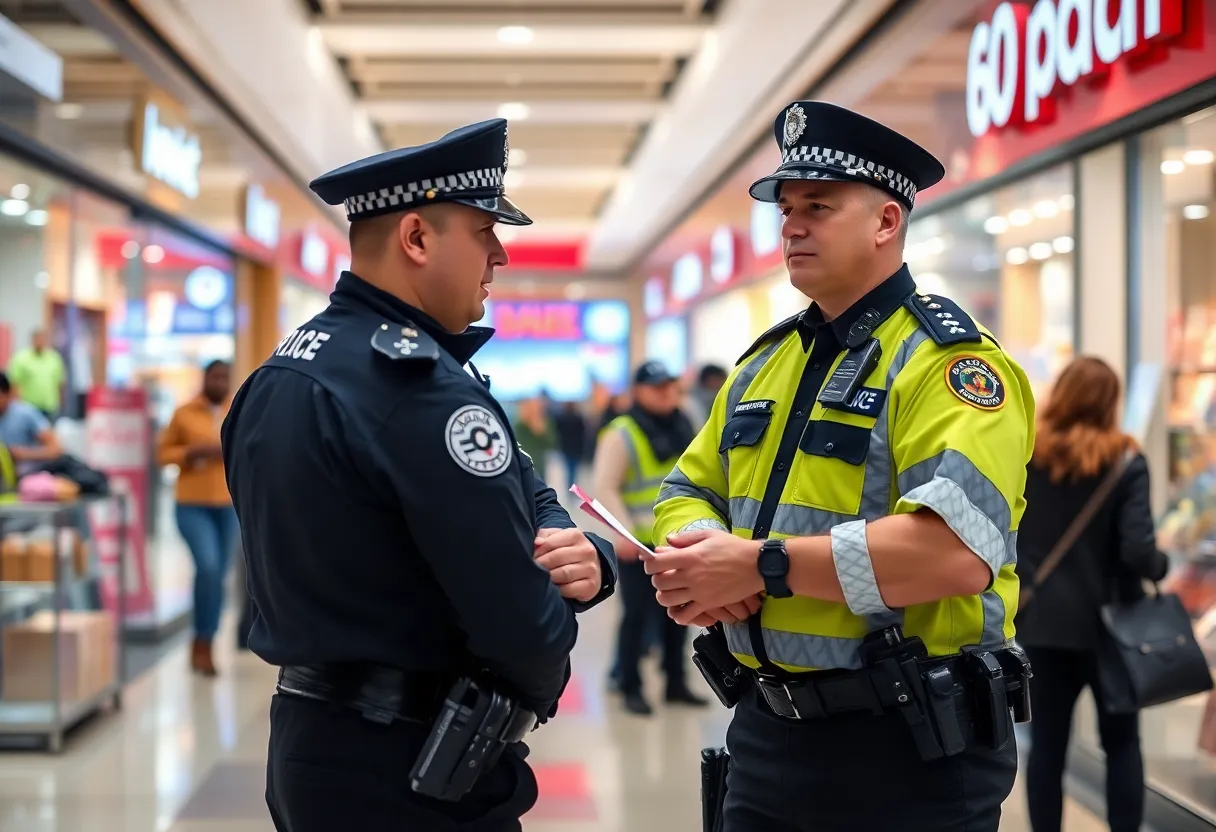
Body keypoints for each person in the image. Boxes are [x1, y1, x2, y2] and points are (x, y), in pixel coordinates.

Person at [645, 101, 1036, 831]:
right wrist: (702, 555)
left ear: (887, 222)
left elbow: (952, 554)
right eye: (786, 207)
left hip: (906, 748)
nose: (791, 224)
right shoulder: (767, 361)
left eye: (818, 206)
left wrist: (759, 568)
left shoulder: (949, 365)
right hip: (765, 733)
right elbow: (687, 485)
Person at [221, 118, 618, 832]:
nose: (498, 254)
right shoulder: (418, 391)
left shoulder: (281, 371)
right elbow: (517, 621)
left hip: (311, 746)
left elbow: (519, 480)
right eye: (482, 231)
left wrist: (561, 531)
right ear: (416, 238)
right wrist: (557, 626)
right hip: (412, 765)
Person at [1015, 357, 1169, 832]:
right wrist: (1161, 569)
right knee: (1121, 744)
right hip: (1112, 628)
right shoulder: (1125, 461)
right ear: (1110, 403)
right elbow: (1139, 549)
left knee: (1047, 748)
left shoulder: (1028, 455)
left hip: (1042, 624)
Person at [591, 360, 708, 716]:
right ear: (638, 391)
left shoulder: (684, 424)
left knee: (681, 615)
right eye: (659, 387)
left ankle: (675, 682)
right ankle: (629, 685)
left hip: (678, 543)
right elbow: (605, 487)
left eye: (672, 386)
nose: (668, 393)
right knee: (636, 617)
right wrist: (623, 535)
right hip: (638, 547)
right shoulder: (621, 432)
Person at [156, 360, 238, 676]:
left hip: (228, 504)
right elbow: (162, 453)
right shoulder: (184, 413)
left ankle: (208, 640)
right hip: (191, 504)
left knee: (219, 575)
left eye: (225, 377)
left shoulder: (237, 408)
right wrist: (190, 453)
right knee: (208, 566)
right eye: (215, 376)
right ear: (205, 379)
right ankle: (200, 642)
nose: (220, 382)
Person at [0, 371, 62, 478]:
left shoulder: (25, 414)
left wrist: (23, 454)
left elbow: (55, 450)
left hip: (30, 476)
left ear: (7, 393)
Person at [6, 329, 65, 422]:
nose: (40, 342)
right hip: (28, 407)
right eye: (38, 339)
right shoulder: (21, 358)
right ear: (32, 340)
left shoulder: (54, 358)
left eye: (43, 339)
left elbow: (60, 383)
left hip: (50, 407)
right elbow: (14, 383)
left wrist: (61, 404)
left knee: (48, 434)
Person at [553, 401, 588, 490]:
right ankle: (572, 486)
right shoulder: (578, 418)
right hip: (575, 447)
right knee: (573, 469)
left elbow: (557, 432)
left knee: (568, 468)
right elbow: (583, 433)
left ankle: (570, 486)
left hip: (566, 447)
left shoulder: (561, 418)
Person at [685, 363, 728, 431]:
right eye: (713, 381)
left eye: (718, 381)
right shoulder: (691, 405)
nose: (716, 385)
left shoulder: (726, 401)